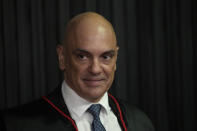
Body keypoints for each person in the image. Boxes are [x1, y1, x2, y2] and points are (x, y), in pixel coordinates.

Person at [0, 12, 154, 131]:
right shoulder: (17, 125)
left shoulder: (140, 123)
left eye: (105, 57)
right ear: (62, 57)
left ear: (116, 59)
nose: (95, 69)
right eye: (82, 56)